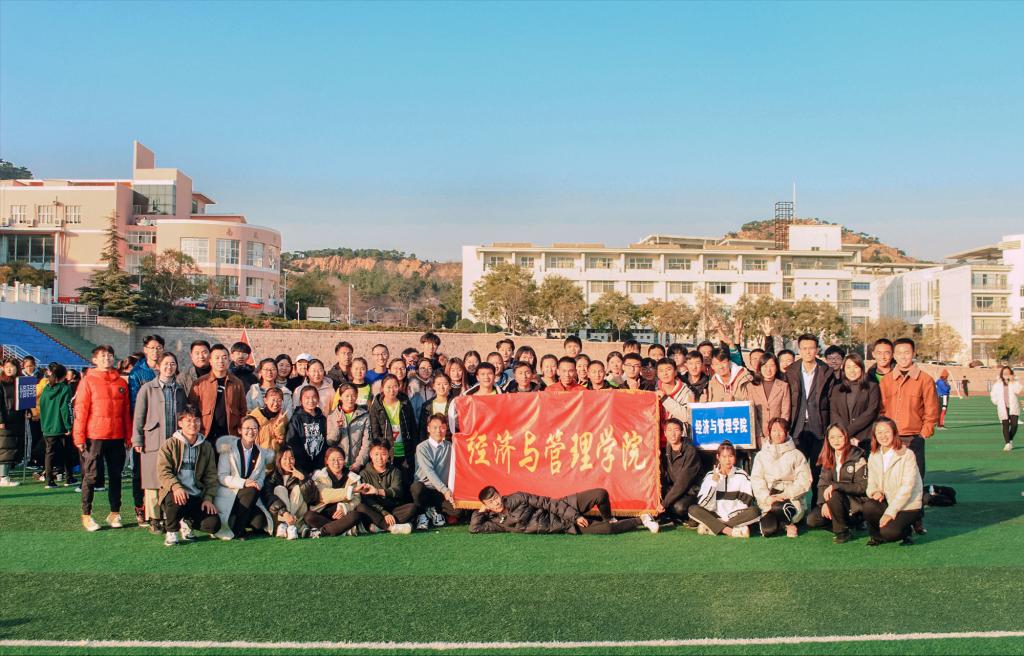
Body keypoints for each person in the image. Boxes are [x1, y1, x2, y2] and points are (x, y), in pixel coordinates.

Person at [74, 345, 132, 532]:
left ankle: (114, 513)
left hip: (117, 436)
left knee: (116, 476)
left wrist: (129, 436)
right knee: (91, 476)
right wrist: (79, 437)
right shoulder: (88, 381)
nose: (107, 358)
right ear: (95, 360)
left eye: (110, 355)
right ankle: (86, 514)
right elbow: (81, 410)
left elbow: (126, 412)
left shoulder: (121, 382)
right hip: (95, 436)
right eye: (103, 356)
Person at [132, 352, 188, 531]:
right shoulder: (147, 388)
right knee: (152, 481)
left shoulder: (180, 389)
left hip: (175, 442)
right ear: (158, 366)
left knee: (171, 478)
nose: (169, 367)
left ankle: (168, 516)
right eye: (166, 363)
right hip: (153, 440)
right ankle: (154, 518)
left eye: (172, 364)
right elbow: (139, 416)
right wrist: (137, 439)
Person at [302, 447, 411, 537]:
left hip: (344, 516)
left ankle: (323, 532)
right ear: (326, 461)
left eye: (340, 459)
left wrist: (344, 508)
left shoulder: (353, 477)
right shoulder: (319, 477)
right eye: (333, 460)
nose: (336, 463)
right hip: (324, 514)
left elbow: (357, 499)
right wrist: (352, 490)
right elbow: (325, 495)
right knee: (308, 516)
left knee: (357, 514)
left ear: (344, 460)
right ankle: (343, 530)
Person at [470, 486, 659, 535]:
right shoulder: (496, 522)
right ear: (486, 505)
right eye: (490, 502)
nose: (495, 502)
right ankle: (642, 519)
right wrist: (480, 511)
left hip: (565, 508)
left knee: (600, 494)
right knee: (607, 531)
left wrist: (575, 515)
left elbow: (548, 503)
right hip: (563, 526)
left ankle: (610, 518)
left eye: (495, 497)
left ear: (500, 494)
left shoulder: (517, 497)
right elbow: (474, 528)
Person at [156, 407, 221, 546]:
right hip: (175, 494)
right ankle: (171, 531)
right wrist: (176, 487)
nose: (193, 424)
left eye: (196, 420)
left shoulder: (206, 446)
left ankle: (186, 522)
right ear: (180, 423)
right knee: (176, 499)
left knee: (213, 525)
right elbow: (163, 471)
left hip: (196, 495)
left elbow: (211, 475)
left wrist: (208, 498)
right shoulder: (170, 444)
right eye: (188, 420)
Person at [879, 337, 938, 487]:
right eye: (899, 353)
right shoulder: (886, 381)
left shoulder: (925, 380)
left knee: (914, 482)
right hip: (891, 438)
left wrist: (923, 433)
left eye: (907, 352)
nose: (903, 356)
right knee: (891, 481)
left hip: (914, 438)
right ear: (894, 355)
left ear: (913, 353)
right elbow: (881, 409)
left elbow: (931, 410)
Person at [862, 417, 924, 546]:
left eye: (887, 432)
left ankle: (907, 531)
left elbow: (907, 488)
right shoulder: (873, 455)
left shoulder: (907, 455)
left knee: (890, 533)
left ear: (894, 433)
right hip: (887, 501)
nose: (883, 436)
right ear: (874, 435)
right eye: (879, 432)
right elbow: (871, 481)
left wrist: (890, 513)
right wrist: (874, 492)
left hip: (907, 505)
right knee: (869, 506)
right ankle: (876, 537)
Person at [785, 334, 833, 497]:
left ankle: (816, 505)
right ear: (799, 350)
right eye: (804, 348)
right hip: (797, 427)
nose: (808, 352)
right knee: (796, 469)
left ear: (817, 349)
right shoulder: (791, 371)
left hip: (819, 426)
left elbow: (831, 400)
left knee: (818, 469)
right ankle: (794, 504)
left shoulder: (826, 371)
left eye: (811, 348)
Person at [805, 423, 869, 543]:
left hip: (855, 505)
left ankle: (842, 532)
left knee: (834, 493)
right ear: (828, 440)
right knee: (812, 520)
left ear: (846, 437)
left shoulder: (858, 456)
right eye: (832, 437)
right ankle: (845, 526)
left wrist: (836, 486)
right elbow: (823, 484)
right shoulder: (829, 456)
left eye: (840, 436)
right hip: (835, 502)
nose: (836, 440)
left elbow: (862, 487)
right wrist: (823, 503)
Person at [213, 416, 274, 540]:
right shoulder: (228, 448)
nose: (251, 431)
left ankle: (234, 519)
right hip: (230, 494)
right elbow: (222, 477)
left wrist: (258, 484)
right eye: (247, 428)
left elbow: (261, 477)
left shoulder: (261, 453)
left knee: (259, 523)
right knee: (251, 490)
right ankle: (238, 529)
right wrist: (244, 483)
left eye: (254, 428)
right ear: (240, 430)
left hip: (249, 497)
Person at [750, 417, 812, 538]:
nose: (777, 434)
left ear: (787, 432)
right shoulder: (761, 456)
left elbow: (804, 481)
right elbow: (757, 480)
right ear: (769, 432)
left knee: (779, 506)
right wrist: (766, 497)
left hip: (790, 498)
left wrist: (785, 494)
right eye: (774, 430)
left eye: (780, 431)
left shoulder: (797, 455)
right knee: (768, 530)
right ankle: (785, 524)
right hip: (769, 497)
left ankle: (789, 524)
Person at [126, 334, 164, 523]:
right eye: (152, 347)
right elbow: (135, 406)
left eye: (158, 347)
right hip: (146, 429)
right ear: (145, 350)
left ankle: (161, 508)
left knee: (163, 469)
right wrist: (138, 434)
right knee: (140, 471)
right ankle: (140, 506)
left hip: (165, 429)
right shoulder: (137, 372)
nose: (155, 351)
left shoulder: (167, 367)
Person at [688, 441, 759, 537]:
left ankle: (713, 528)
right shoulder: (710, 476)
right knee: (693, 509)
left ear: (735, 457)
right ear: (718, 457)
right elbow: (703, 504)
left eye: (730, 456)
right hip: (714, 515)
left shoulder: (742, 475)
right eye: (724, 457)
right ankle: (730, 531)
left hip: (734, 517)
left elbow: (746, 502)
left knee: (755, 511)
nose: (727, 460)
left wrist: (728, 517)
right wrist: (714, 483)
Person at [189, 343, 248, 442]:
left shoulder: (237, 383)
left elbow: (243, 410)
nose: (221, 361)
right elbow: (191, 410)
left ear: (229, 360)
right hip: (205, 435)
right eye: (217, 358)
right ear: (210, 361)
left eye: (224, 357)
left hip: (230, 435)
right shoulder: (200, 383)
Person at [359, 438, 419, 530]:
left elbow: (397, 491)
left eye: (383, 454)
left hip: (393, 509)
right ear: (371, 455)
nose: (380, 458)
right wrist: (384, 512)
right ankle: (390, 527)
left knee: (412, 507)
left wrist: (378, 491)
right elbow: (367, 499)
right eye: (376, 454)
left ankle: (380, 526)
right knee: (361, 507)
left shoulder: (395, 471)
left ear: (388, 455)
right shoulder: (364, 473)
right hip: (376, 510)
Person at [828, 353, 881, 449]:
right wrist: (843, 433)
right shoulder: (837, 388)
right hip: (842, 438)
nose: (852, 371)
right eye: (848, 367)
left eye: (856, 367)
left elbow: (871, 411)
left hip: (864, 437)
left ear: (862, 368)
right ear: (844, 369)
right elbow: (834, 412)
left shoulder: (872, 386)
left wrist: (848, 431)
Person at [368, 374, 418, 476]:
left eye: (395, 386)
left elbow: (413, 427)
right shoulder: (376, 406)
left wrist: (414, 448)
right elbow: (375, 432)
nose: (392, 390)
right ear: (382, 388)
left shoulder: (405, 403)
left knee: (406, 480)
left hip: (405, 451)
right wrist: (380, 452)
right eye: (388, 387)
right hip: (387, 453)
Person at [412, 413, 456, 530]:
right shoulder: (421, 447)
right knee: (416, 488)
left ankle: (435, 511)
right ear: (428, 429)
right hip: (425, 488)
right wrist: (445, 490)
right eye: (435, 427)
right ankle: (422, 514)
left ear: (446, 428)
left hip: (440, 491)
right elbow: (429, 471)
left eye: (442, 427)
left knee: (458, 511)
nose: (438, 431)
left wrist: (445, 490)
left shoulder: (450, 446)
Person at [655, 418, 701, 525]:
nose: (673, 434)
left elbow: (683, 482)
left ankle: (691, 517)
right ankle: (670, 516)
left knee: (678, 507)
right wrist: (658, 461)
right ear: (665, 433)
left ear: (681, 432)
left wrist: (665, 503)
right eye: (669, 430)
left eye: (676, 430)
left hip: (690, 492)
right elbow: (663, 477)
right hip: (674, 490)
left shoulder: (690, 451)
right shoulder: (665, 451)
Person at [39, 364, 73, 489]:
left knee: (49, 454)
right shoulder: (65, 388)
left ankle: (49, 481)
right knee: (67, 452)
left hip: (47, 425)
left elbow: (42, 406)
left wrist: (44, 425)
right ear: (63, 376)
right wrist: (69, 426)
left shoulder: (46, 388)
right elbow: (66, 408)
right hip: (61, 426)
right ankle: (69, 478)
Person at [261, 446, 307, 539]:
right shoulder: (272, 477)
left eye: (291, 458)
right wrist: (285, 513)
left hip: (298, 514)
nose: (288, 462)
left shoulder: (301, 473)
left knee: (298, 488)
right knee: (280, 489)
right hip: (279, 516)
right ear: (279, 460)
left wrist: (303, 480)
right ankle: (289, 526)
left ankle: (289, 526)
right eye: (284, 458)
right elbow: (268, 496)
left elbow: (312, 497)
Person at [747, 352, 791, 448]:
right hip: (758, 434)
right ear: (760, 368)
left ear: (777, 367)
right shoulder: (751, 387)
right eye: (765, 366)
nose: (768, 370)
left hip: (778, 435)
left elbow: (785, 412)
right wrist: (758, 435)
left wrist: (780, 432)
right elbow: (751, 413)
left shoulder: (783, 386)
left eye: (772, 366)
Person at [326, 384, 371, 473]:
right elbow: (330, 442)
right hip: (338, 465)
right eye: (347, 396)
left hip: (357, 465)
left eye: (353, 395)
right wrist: (337, 428)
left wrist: (358, 463)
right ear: (340, 397)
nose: (350, 399)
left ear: (357, 396)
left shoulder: (364, 415)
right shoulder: (332, 415)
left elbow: (367, 442)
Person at [286, 385, 328, 476]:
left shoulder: (322, 419)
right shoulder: (296, 419)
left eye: (314, 397)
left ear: (318, 399)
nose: (311, 400)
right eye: (307, 398)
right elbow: (292, 443)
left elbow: (326, 442)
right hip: (302, 465)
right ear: (301, 400)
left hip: (320, 465)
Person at [0, 357, 25, 487]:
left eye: (12, 366)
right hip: (6, 420)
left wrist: (28, 411)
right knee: (5, 447)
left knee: (13, 447)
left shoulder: (21, 382)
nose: (9, 369)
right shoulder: (1, 383)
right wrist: (1, 420)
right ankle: (3, 477)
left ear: (17, 368)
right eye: (7, 367)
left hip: (18, 419)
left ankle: (6, 474)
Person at [989, 366, 1021, 451]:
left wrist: (1013, 381)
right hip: (1003, 407)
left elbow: (1018, 391)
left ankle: (1010, 439)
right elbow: (993, 394)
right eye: (1004, 373)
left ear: (1011, 373)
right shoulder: (998, 384)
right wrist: (997, 402)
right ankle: (1007, 443)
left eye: (1008, 373)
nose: (1006, 374)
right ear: (1002, 374)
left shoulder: (1015, 381)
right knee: (1005, 425)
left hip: (1013, 406)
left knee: (1014, 425)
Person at [419, 373, 456, 441]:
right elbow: (423, 430)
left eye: (445, 384)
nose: (442, 387)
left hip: (451, 442)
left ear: (450, 386)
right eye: (438, 384)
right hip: (431, 443)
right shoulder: (427, 406)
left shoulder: (455, 403)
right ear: (433, 386)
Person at [251, 387, 288, 453]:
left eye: (279, 400)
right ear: (265, 400)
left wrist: (279, 429)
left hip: (275, 456)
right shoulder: (254, 417)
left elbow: (283, 443)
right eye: (273, 400)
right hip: (258, 455)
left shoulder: (284, 419)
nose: (276, 404)